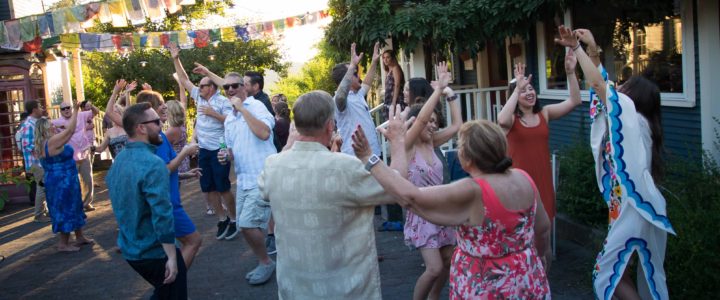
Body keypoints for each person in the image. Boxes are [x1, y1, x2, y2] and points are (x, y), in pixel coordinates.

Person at [357, 117, 552, 299]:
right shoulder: (524, 178)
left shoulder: (473, 191)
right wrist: (539, 256)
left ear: (468, 157)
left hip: (486, 288)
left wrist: (369, 158)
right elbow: (543, 230)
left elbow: (411, 198)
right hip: (528, 277)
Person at [556, 25, 675, 300]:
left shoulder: (631, 119)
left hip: (632, 210)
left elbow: (600, 86)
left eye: (625, 87)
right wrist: (593, 50)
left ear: (633, 98)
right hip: (629, 208)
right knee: (624, 269)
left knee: (606, 273)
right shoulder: (637, 123)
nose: (619, 88)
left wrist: (576, 48)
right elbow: (602, 87)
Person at [258, 92, 408, 299]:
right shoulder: (346, 168)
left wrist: (290, 143)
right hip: (346, 290)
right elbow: (397, 186)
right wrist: (399, 141)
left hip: (294, 289)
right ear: (330, 126)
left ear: (296, 125)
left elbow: (265, 189)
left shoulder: (273, 164)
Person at [106, 103, 186, 299]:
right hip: (153, 251)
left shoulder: (119, 161)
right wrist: (172, 256)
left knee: (162, 292)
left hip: (131, 249)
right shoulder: (153, 164)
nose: (161, 125)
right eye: (157, 121)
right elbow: (162, 213)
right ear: (141, 127)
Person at [497, 45, 581, 224]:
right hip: (519, 183)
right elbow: (501, 120)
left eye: (531, 89)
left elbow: (575, 100)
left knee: (544, 236)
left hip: (543, 182)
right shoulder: (511, 120)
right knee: (523, 234)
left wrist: (571, 73)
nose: (529, 93)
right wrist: (517, 89)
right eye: (524, 91)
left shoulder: (545, 113)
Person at [402, 62, 463, 300]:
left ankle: (434, 297)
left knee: (448, 261)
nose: (432, 125)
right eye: (429, 121)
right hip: (421, 213)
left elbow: (457, 125)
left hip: (441, 209)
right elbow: (418, 122)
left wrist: (450, 94)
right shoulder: (407, 145)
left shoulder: (432, 141)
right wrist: (436, 91)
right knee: (434, 267)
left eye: (435, 122)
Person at [171, 44, 237, 240]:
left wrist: (214, 114)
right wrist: (175, 58)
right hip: (204, 150)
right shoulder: (199, 97)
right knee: (208, 188)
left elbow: (232, 121)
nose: (198, 88)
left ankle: (234, 220)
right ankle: (222, 219)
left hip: (220, 148)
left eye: (202, 85)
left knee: (223, 186)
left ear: (212, 87)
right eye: (198, 86)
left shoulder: (223, 102)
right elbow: (184, 79)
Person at [222, 85, 277, 285]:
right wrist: (225, 155)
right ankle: (265, 261)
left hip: (262, 176)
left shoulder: (257, 106)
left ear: (243, 88)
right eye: (225, 87)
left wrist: (243, 109)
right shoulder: (229, 118)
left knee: (247, 224)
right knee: (242, 225)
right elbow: (229, 149)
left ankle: (266, 262)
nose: (229, 89)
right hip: (243, 179)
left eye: (234, 86)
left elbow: (264, 133)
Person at [34, 103, 94, 252]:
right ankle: (63, 244)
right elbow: (71, 130)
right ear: (45, 129)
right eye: (50, 125)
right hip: (61, 181)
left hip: (63, 180)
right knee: (65, 208)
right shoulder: (51, 142)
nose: (54, 126)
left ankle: (80, 236)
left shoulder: (42, 144)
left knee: (74, 206)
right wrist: (75, 110)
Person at [51, 101, 99, 212]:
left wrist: (91, 105)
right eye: (63, 109)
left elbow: (95, 112)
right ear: (60, 111)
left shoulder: (81, 115)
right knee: (72, 182)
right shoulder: (57, 122)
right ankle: (75, 205)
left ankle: (86, 203)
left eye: (68, 107)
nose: (66, 110)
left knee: (88, 179)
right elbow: (47, 130)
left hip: (84, 152)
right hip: (69, 157)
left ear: (72, 108)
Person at [18, 101, 49, 222]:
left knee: (44, 186)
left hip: (39, 162)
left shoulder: (35, 122)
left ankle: (44, 211)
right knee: (41, 187)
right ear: (34, 109)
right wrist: (41, 151)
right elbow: (26, 144)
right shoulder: (28, 125)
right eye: (40, 107)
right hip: (36, 163)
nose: (42, 109)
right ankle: (38, 215)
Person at [166, 100, 190, 174]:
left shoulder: (171, 131)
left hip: (176, 163)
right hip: (184, 161)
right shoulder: (182, 125)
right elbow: (184, 102)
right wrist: (182, 88)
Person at [382, 49, 406, 119]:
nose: (385, 60)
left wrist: (394, 103)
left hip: (396, 101)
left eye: (388, 57)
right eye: (384, 58)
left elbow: (397, 85)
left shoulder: (395, 68)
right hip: (388, 100)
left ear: (392, 58)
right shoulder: (388, 70)